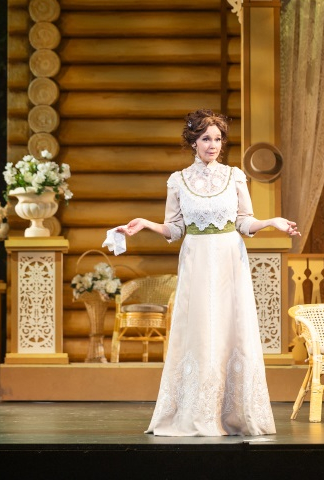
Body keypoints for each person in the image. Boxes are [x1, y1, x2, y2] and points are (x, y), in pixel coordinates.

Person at [117, 110, 299, 436]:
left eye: (217, 139)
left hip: (230, 258)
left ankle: (236, 414)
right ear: (193, 142)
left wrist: (272, 222)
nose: (213, 145)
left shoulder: (234, 176)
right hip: (196, 259)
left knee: (231, 329)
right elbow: (174, 229)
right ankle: (199, 412)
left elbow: (244, 222)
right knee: (200, 331)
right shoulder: (178, 180)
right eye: (206, 139)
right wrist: (144, 223)